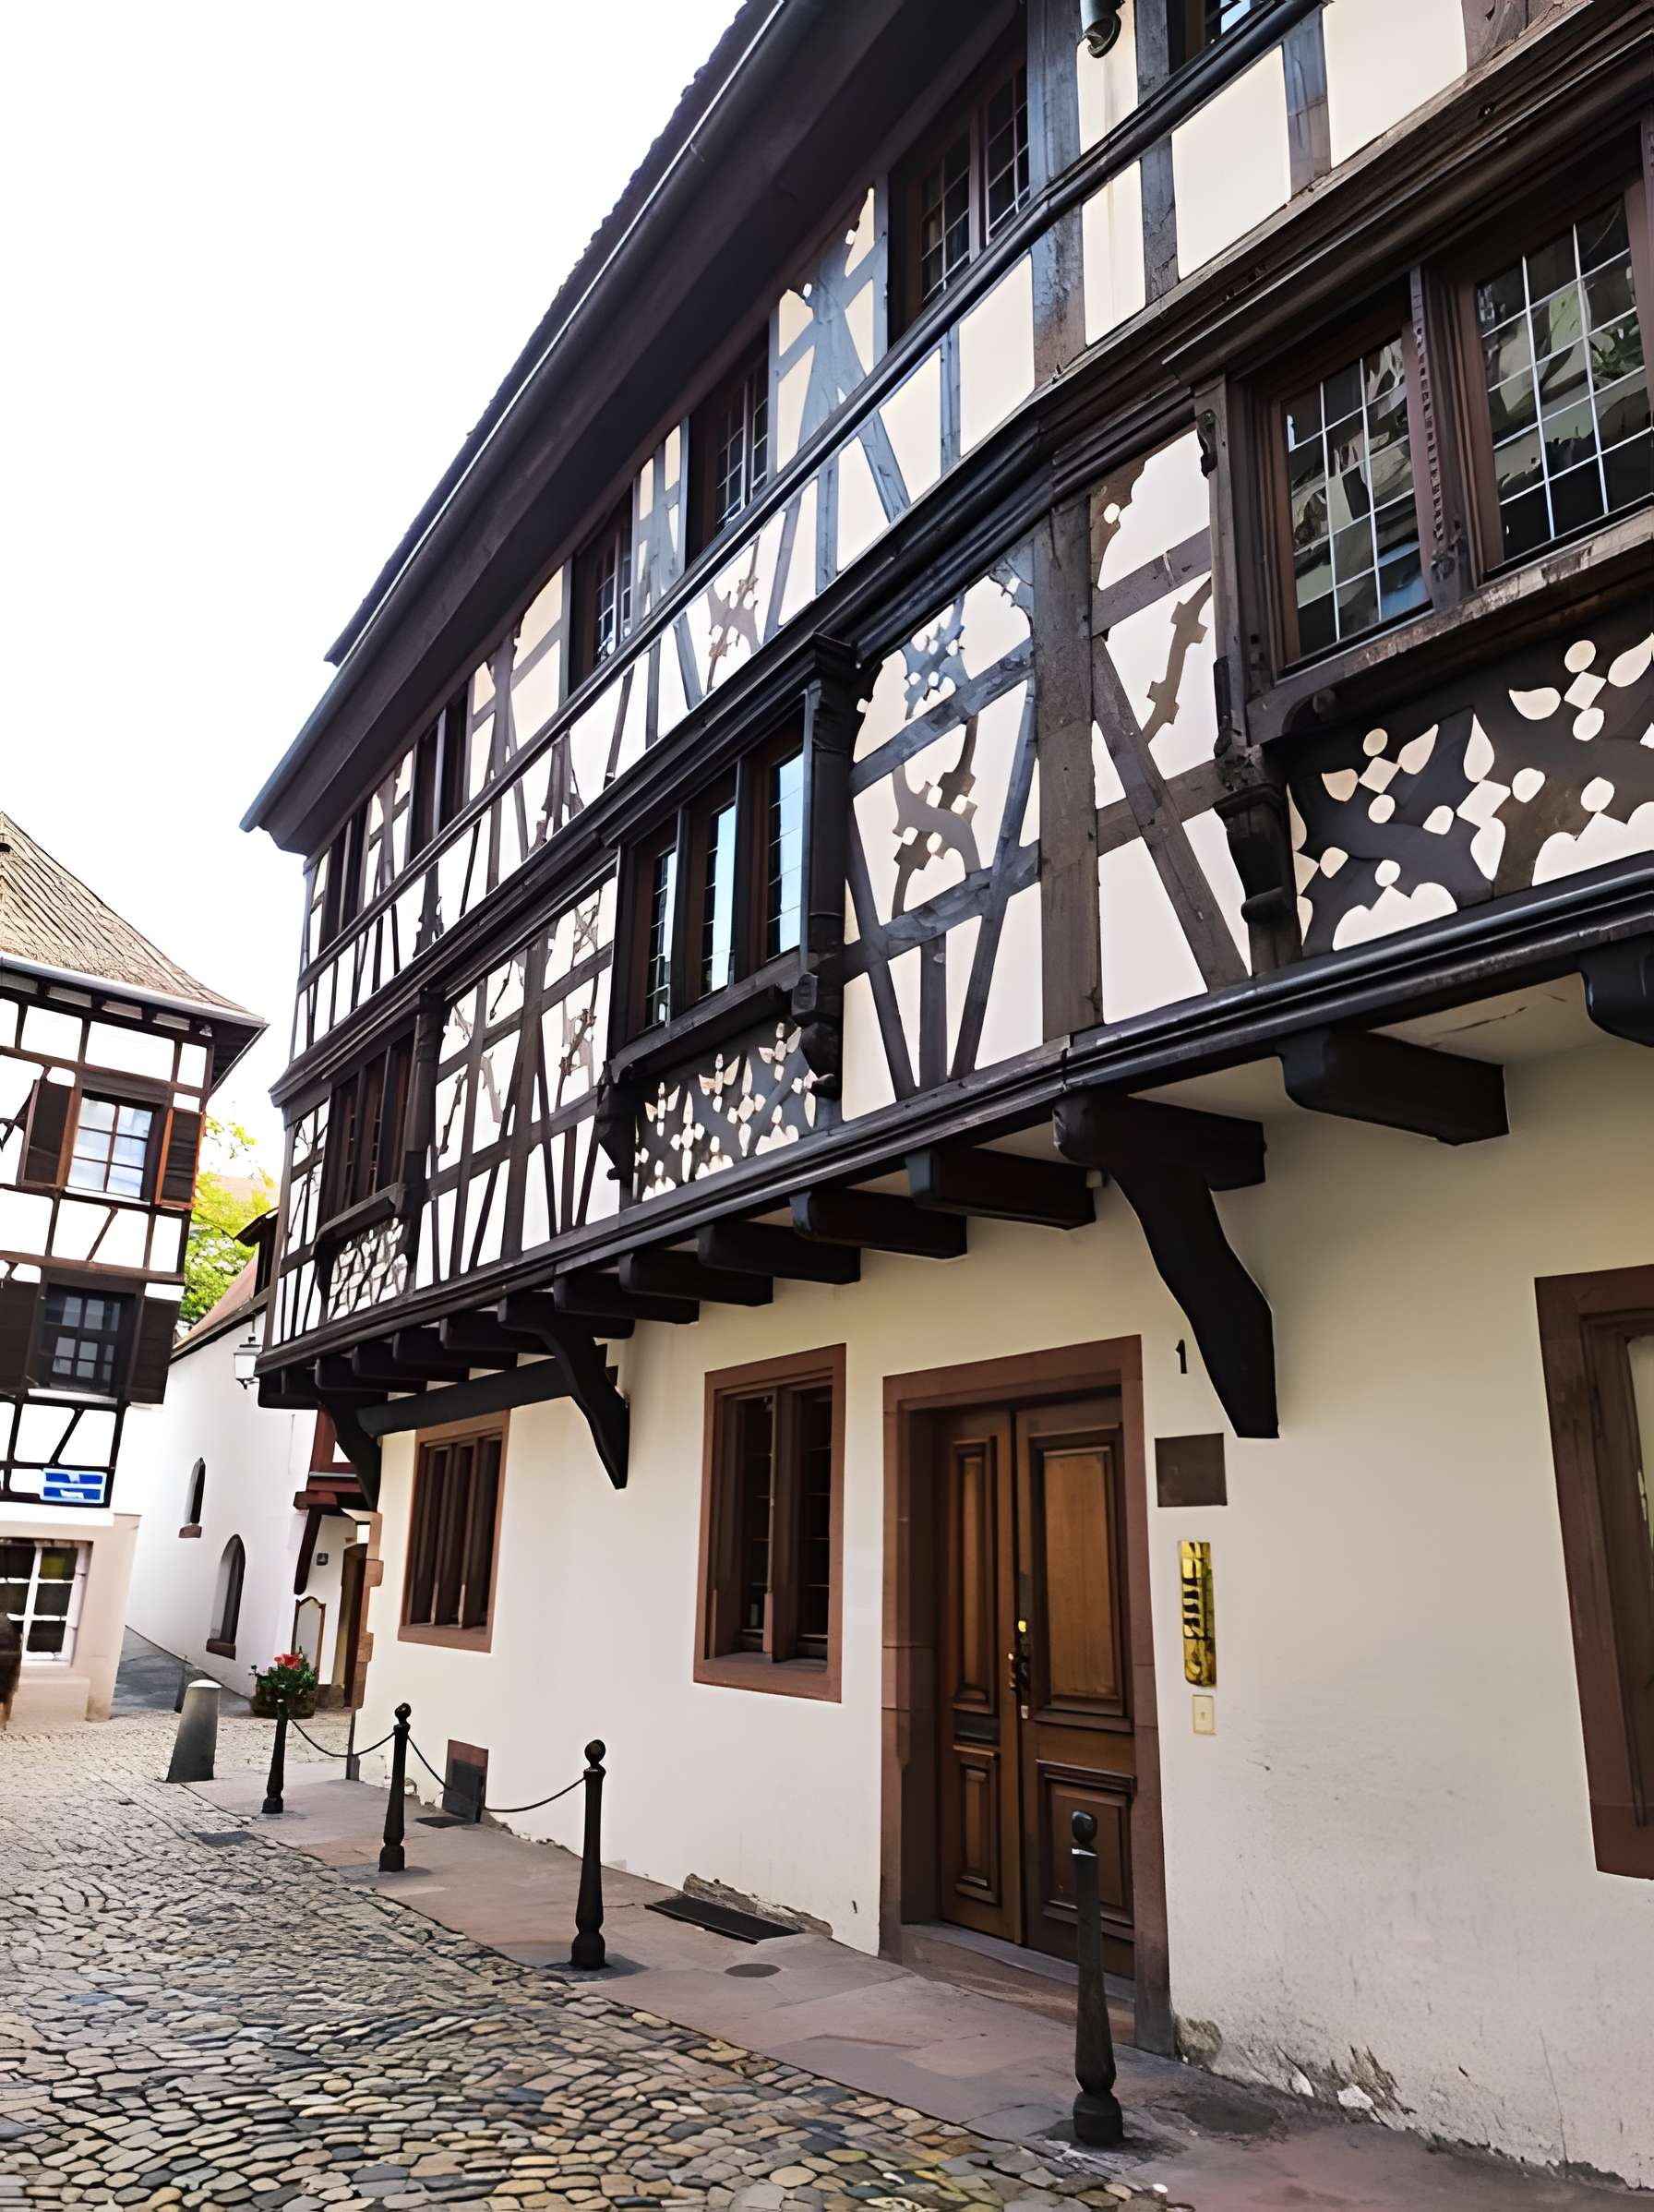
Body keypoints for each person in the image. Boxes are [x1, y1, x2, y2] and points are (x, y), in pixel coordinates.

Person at [0, 1611, 20, 1729]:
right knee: (6, 1694)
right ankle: (3, 1723)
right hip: (9, 1660)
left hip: (7, 1660)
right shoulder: (7, 1621)